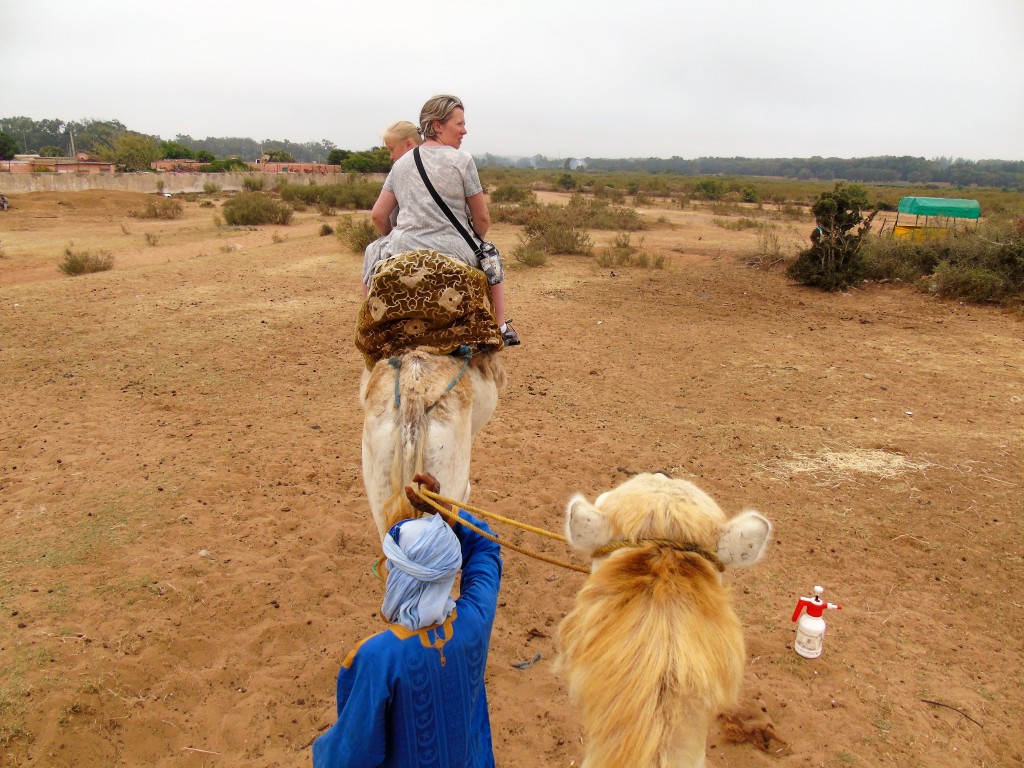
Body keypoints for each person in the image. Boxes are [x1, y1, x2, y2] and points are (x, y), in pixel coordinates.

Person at [312, 472, 503, 768]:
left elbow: (347, 756)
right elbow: (487, 547)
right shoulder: (474, 621)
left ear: (399, 577)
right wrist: (446, 513)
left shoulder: (378, 658)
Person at [366, 94, 519, 347]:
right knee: (490, 255)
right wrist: (476, 238)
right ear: (437, 125)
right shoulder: (462, 160)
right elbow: (481, 217)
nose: (464, 130)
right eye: (459, 124)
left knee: (373, 255)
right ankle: (500, 326)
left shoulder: (401, 163)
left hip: (403, 248)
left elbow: (378, 215)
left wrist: (394, 237)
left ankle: (370, 329)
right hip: (455, 249)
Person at [362, 122, 423, 299]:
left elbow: (378, 216)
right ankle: (500, 324)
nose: (390, 156)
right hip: (449, 240)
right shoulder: (446, 164)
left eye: (392, 149)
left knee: (371, 250)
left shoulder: (399, 170)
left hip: (407, 242)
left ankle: (369, 317)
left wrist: (389, 235)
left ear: (409, 144)